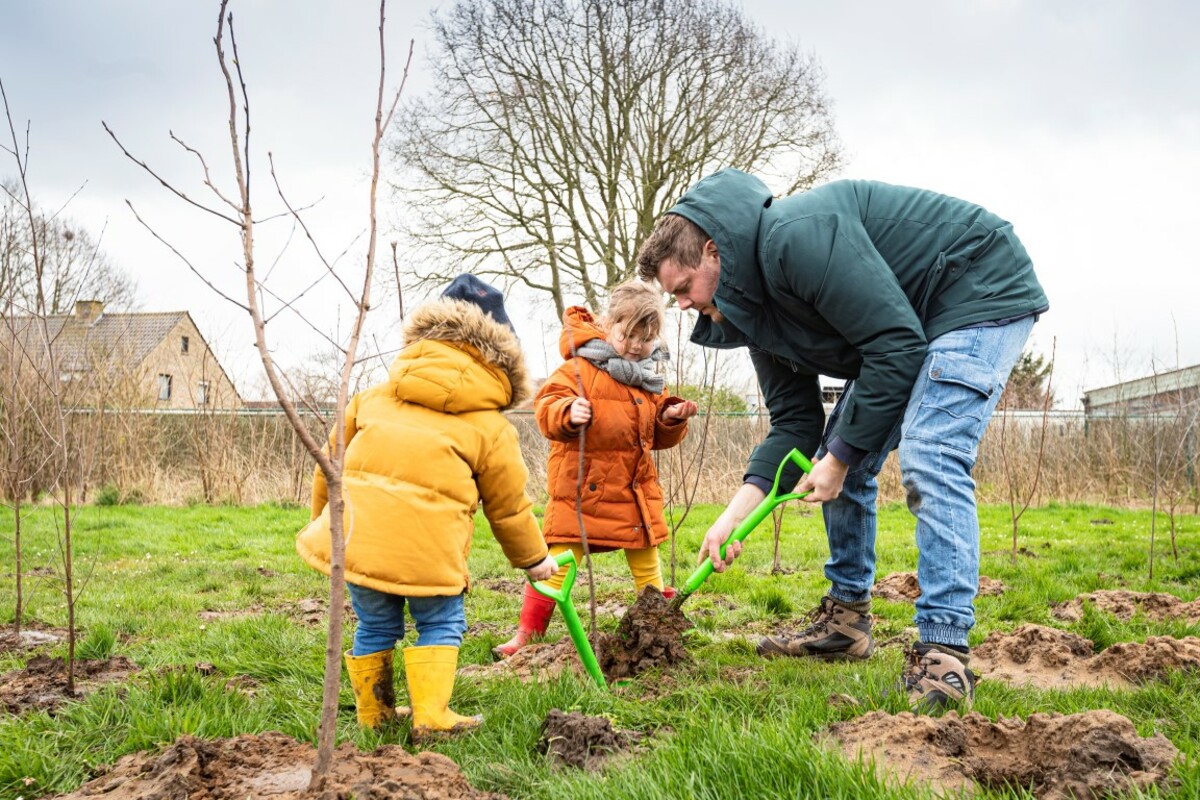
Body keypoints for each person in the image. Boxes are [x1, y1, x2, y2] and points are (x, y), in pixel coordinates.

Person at [635, 169, 1048, 711]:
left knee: (930, 451)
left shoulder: (794, 237)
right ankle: (847, 623)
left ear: (713, 254)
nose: (682, 305)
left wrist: (841, 458)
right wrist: (732, 515)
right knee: (834, 451)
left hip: (973, 285)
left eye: (683, 288)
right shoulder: (753, 312)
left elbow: (895, 345)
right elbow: (795, 424)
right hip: (913, 324)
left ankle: (944, 657)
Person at [297, 273, 557, 740]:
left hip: (359, 543)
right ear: (503, 357)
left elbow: (327, 468)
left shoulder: (372, 398)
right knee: (440, 620)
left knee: (376, 623)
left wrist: (324, 525)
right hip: (430, 555)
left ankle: (374, 716)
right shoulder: (490, 426)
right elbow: (509, 506)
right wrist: (534, 560)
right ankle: (432, 716)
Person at [493, 279, 699, 659]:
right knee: (557, 564)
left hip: (633, 491)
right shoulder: (579, 367)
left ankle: (657, 633)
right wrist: (568, 413)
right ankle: (526, 634)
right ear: (608, 323)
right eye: (629, 334)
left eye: (646, 337)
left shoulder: (648, 378)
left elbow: (652, 434)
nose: (637, 345)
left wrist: (668, 417)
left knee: (647, 566)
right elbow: (546, 407)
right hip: (583, 490)